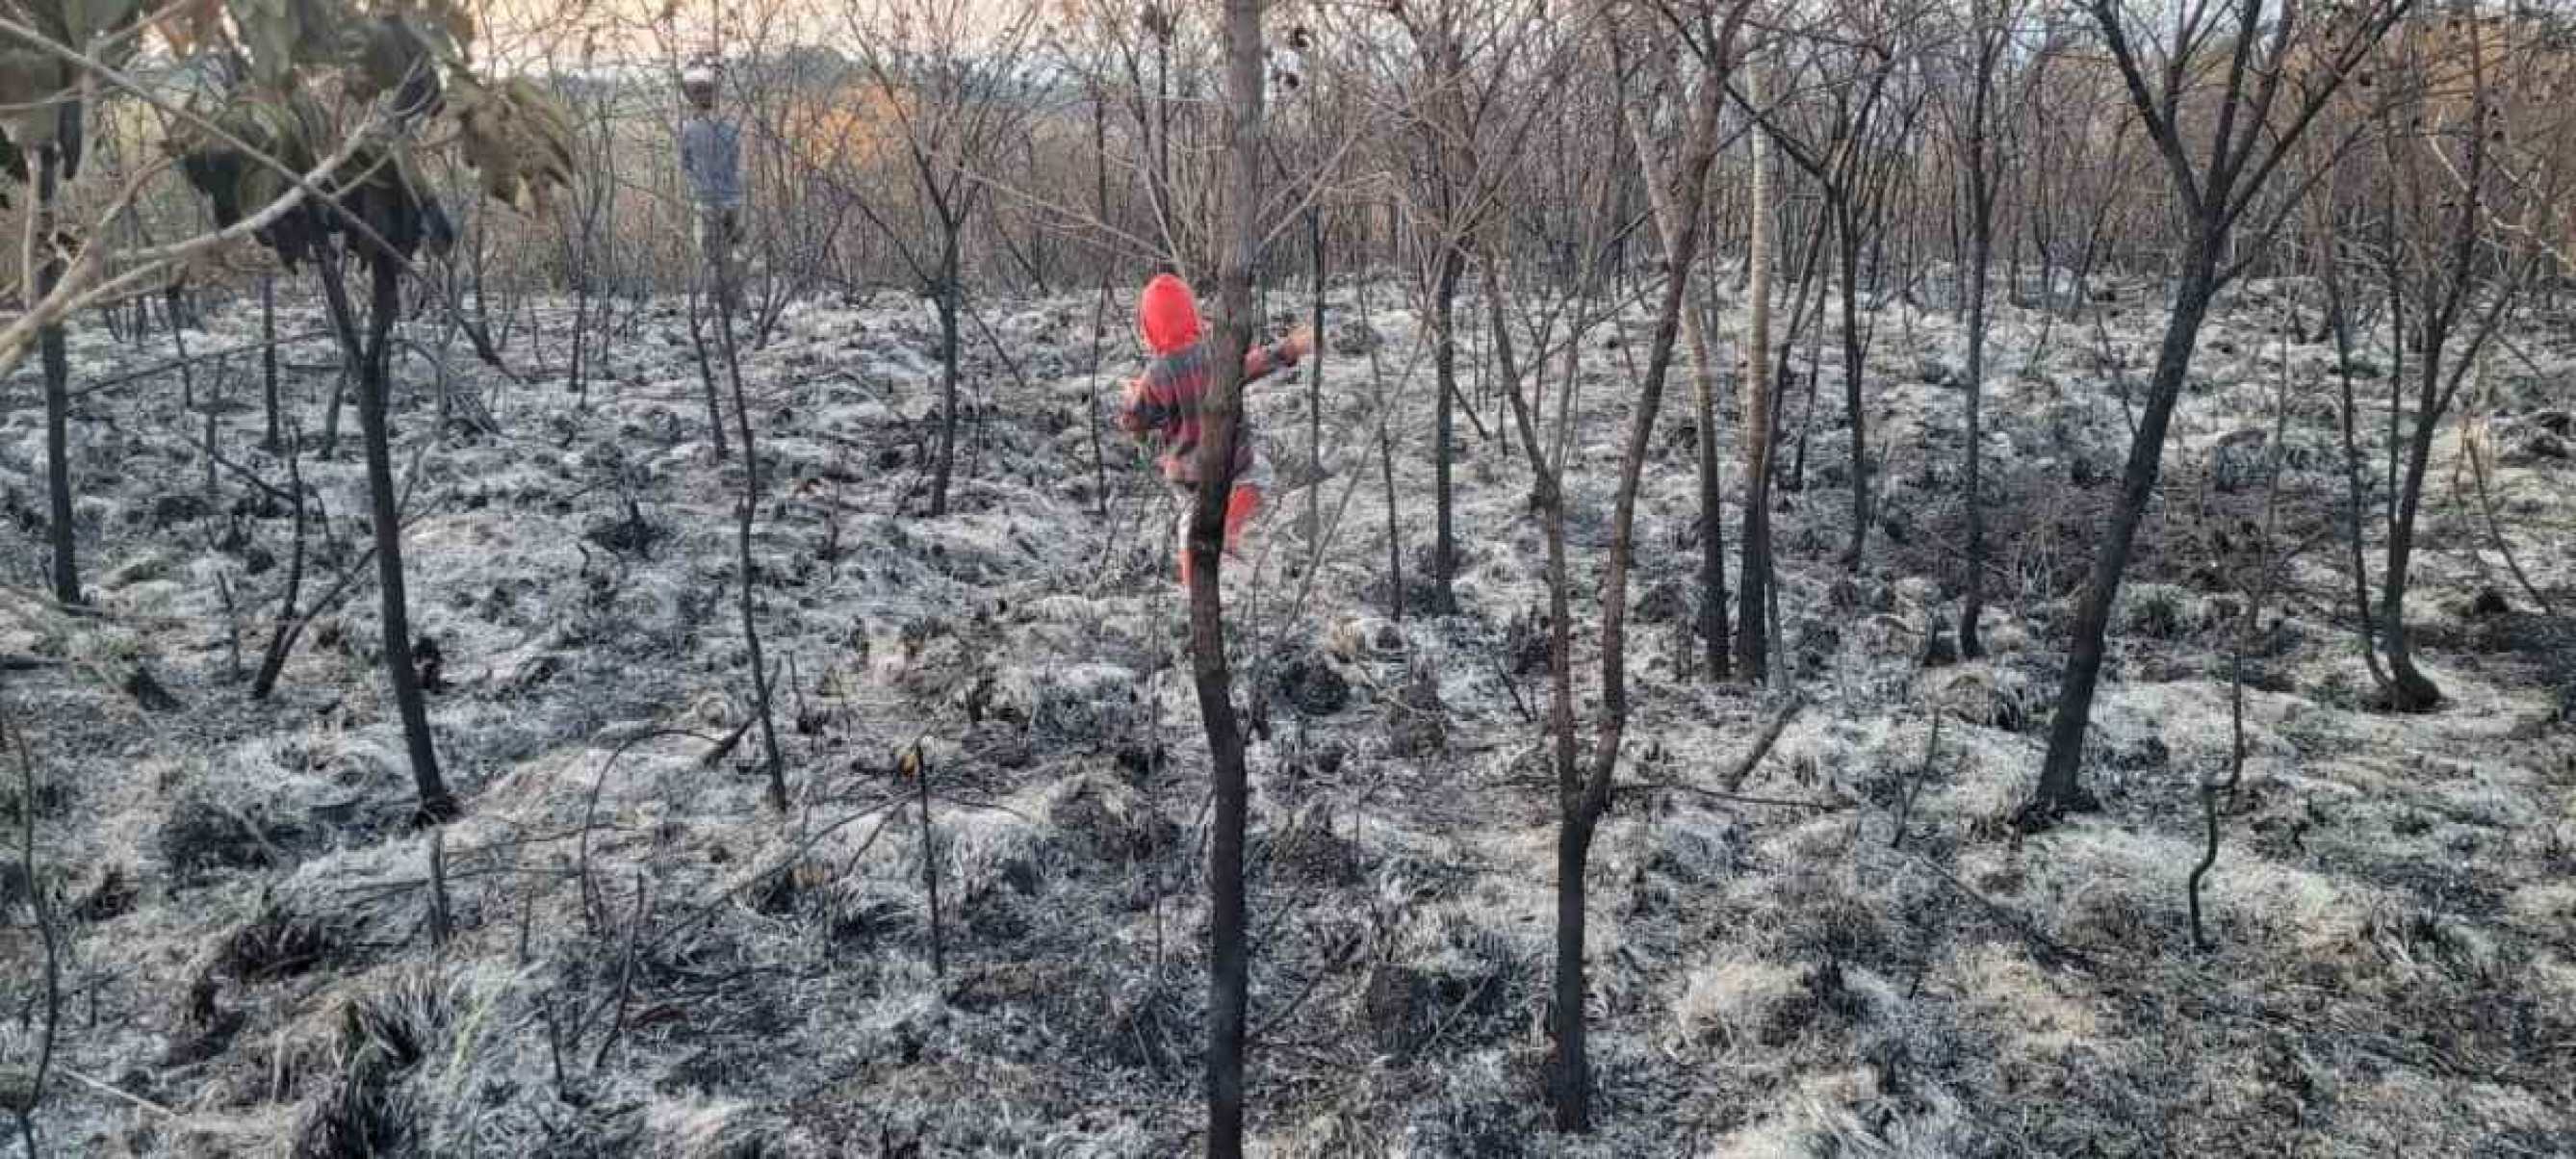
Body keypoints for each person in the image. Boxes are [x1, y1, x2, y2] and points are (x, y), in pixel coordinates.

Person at [1118, 272, 1312, 587]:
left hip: (1189, 474)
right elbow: (1255, 363)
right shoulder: (1214, 355)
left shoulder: (1155, 375)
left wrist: (1133, 398)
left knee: (1188, 526)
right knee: (1259, 474)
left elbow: (1135, 422)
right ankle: (1231, 530)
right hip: (1231, 460)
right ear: (1193, 315)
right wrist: (1290, 349)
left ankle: (1190, 585)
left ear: (1149, 328)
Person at [676, 62, 744, 309]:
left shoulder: (688, 131)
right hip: (733, 198)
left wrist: (697, 185)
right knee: (734, 252)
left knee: (709, 256)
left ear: (693, 101)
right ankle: (736, 303)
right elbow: (736, 162)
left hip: (705, 201)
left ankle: (715, 306)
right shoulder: (731, 128)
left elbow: (685, 166)